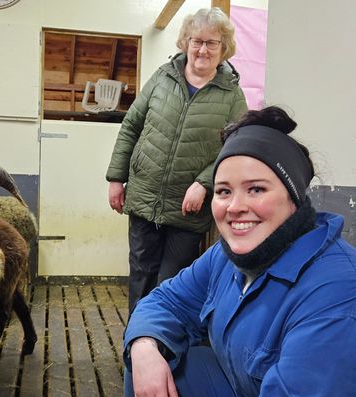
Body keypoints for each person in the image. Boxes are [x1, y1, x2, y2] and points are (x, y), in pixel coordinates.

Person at [122, 106, 356, 397]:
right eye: (223, 191)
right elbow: (165, 301)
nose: (234, 206)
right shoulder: (230, 256)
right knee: (150, 363)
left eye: (256, 189)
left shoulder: (342, 308)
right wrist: (146, 346)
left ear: (293, 198)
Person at [105, 7, 248, 314]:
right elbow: (131, 126)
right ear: (186, 42)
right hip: (145, 196)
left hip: (189, 209)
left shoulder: (232, 95)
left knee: (171, 281)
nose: (203, 49)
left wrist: (204, 183)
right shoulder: (162, 78)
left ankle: (161, 347)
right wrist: (116, 178)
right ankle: (135, 347)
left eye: (212, 43)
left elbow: (235, 148)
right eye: (197, 41)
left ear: (223, 48)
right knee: (141, 275)